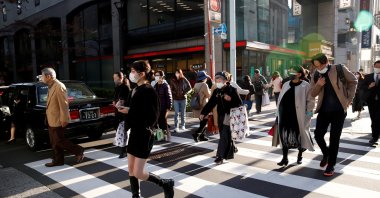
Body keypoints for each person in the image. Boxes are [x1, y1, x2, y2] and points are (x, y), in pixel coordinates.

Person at [117, 60, 174, 198]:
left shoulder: (149, 91)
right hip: (135, 133)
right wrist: (122, 107)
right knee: (130, 169)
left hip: (145, 134)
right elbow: (134, 110)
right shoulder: (134, 90)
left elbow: (152, 116)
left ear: (142, 74)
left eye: (133, 71)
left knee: (138, 172)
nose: (131, 74)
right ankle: (136, 196)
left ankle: (165, 183)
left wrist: (129, 112)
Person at [310, 53, 357, 176]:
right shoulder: (315, 74)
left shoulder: (339, 69)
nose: (318, 68)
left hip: (339, 111)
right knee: (318, 135)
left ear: (326, 62)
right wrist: (318, 84)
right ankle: (326, 153)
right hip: (324, 111)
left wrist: (348, 100)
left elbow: (353, 81)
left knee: (334, 139)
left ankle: (331, 165)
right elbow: (312, 94)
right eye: (316, 66)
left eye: (320, 66)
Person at [40, 67, 85, 167]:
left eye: (42, 76)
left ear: (48, 76)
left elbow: (64, 104)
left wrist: (64, 119)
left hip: (57, 119)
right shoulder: (51, 86)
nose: (41, 78)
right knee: (54, 142)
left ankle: (78, 150)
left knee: (59, 141)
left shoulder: (59, 86)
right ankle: (58, 161)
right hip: (51, 118)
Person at [200, 71, 242, 165]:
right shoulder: (217, 91)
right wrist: (203, 112)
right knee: (225, 135)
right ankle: (232, 148)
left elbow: (239, 104)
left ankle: (220, 156)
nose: (217, 82)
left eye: (219, 80)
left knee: (224, 135)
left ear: (225, 80)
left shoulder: (232, 90)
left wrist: (231, 99)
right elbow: (211, 103)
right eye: (216, 80)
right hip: (221, 116)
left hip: (229, 116)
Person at [275, 66, 315, 166]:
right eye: (290, 71)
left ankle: (300, 156)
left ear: (299, 74)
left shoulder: (306, 85)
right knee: (284, 136)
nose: (290, 73)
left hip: (299, 116)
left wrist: (309, 115)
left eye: (293, 72)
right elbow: (280, 99)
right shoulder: (286, 84)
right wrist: (277, 114)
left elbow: (311, 101)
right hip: (284, 115)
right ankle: (285, 158)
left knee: (300, 135)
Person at [361, 60, 380, 146]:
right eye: (376, 67)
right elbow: (362, 87)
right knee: (374, 119)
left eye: (379, 67)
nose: (377, 68)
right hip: (372, 102)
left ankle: (376, 136)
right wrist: (369, 86)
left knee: (378, 119)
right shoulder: (368, 76)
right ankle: (375, 136)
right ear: (374, 67)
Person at [113, 72, 130, 158]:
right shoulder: (117, 87)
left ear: (120, 78)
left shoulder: (125, 87)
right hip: (118, 112)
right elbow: (115, 99)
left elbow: (122, 101)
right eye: (113, 78)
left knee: (123, 132)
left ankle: (124, 150)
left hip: (123, 113)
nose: (114, 79)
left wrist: (117, 105)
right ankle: (124, 148)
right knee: (119, 130)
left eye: (115, 78)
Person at [191, 71, 211, 142]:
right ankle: (196, 134)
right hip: (204, 106)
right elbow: (209, 95)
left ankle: (203, 136)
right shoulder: (204, 85)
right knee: (204, 122)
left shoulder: (196, 84)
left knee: (202, 121)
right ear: (204, 78)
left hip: (198, 105)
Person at [154, 70, 173, 141]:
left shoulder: (165, 86)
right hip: (157, 108)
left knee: (163, 122)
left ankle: (166, 136)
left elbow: (169, 97)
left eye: (158, 75)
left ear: (162, 77)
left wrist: (169, 107)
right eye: (155, 75)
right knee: (158, 122)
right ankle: (161, 136)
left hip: (164, 107)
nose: (156, 77)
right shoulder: (155, 86)